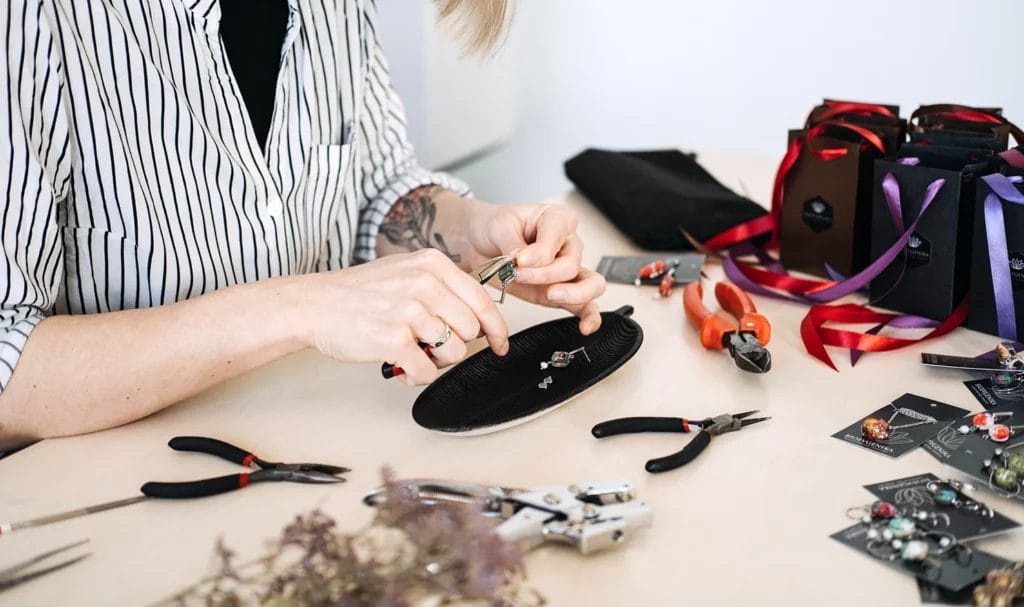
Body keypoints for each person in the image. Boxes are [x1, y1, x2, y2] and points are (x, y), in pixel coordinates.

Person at [0, 0, 605, 450]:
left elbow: (375, 194)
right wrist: (299, 309)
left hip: (315, 442)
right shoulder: (35, 22)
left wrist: (474, 233)